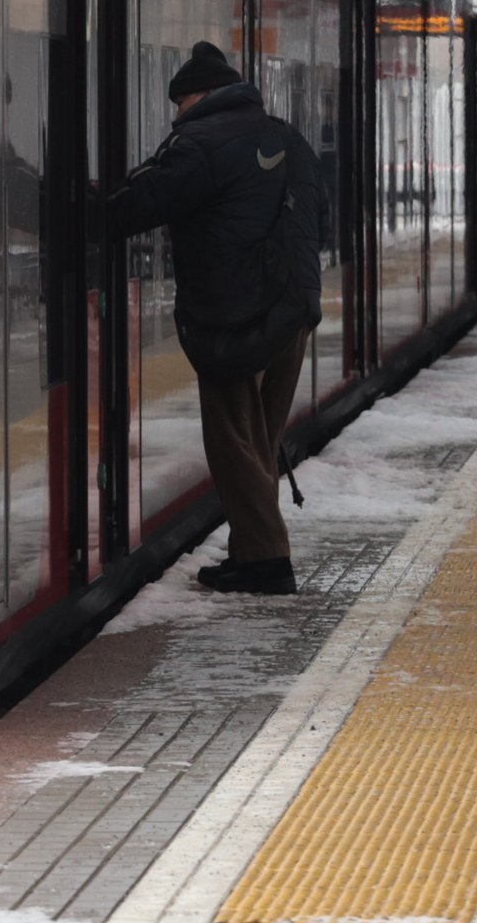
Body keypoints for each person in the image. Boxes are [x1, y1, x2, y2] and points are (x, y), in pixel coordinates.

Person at [107, 41, 327, 595]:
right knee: (259, 440)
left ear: (199, 97)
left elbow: (139, 205)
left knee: (233, 441)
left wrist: (75, 207)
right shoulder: (285, 135)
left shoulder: (200, 142)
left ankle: (267, 562)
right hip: (293, 308)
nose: (176, 115)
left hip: (236, 315)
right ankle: (251, 551)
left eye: (179, 103)